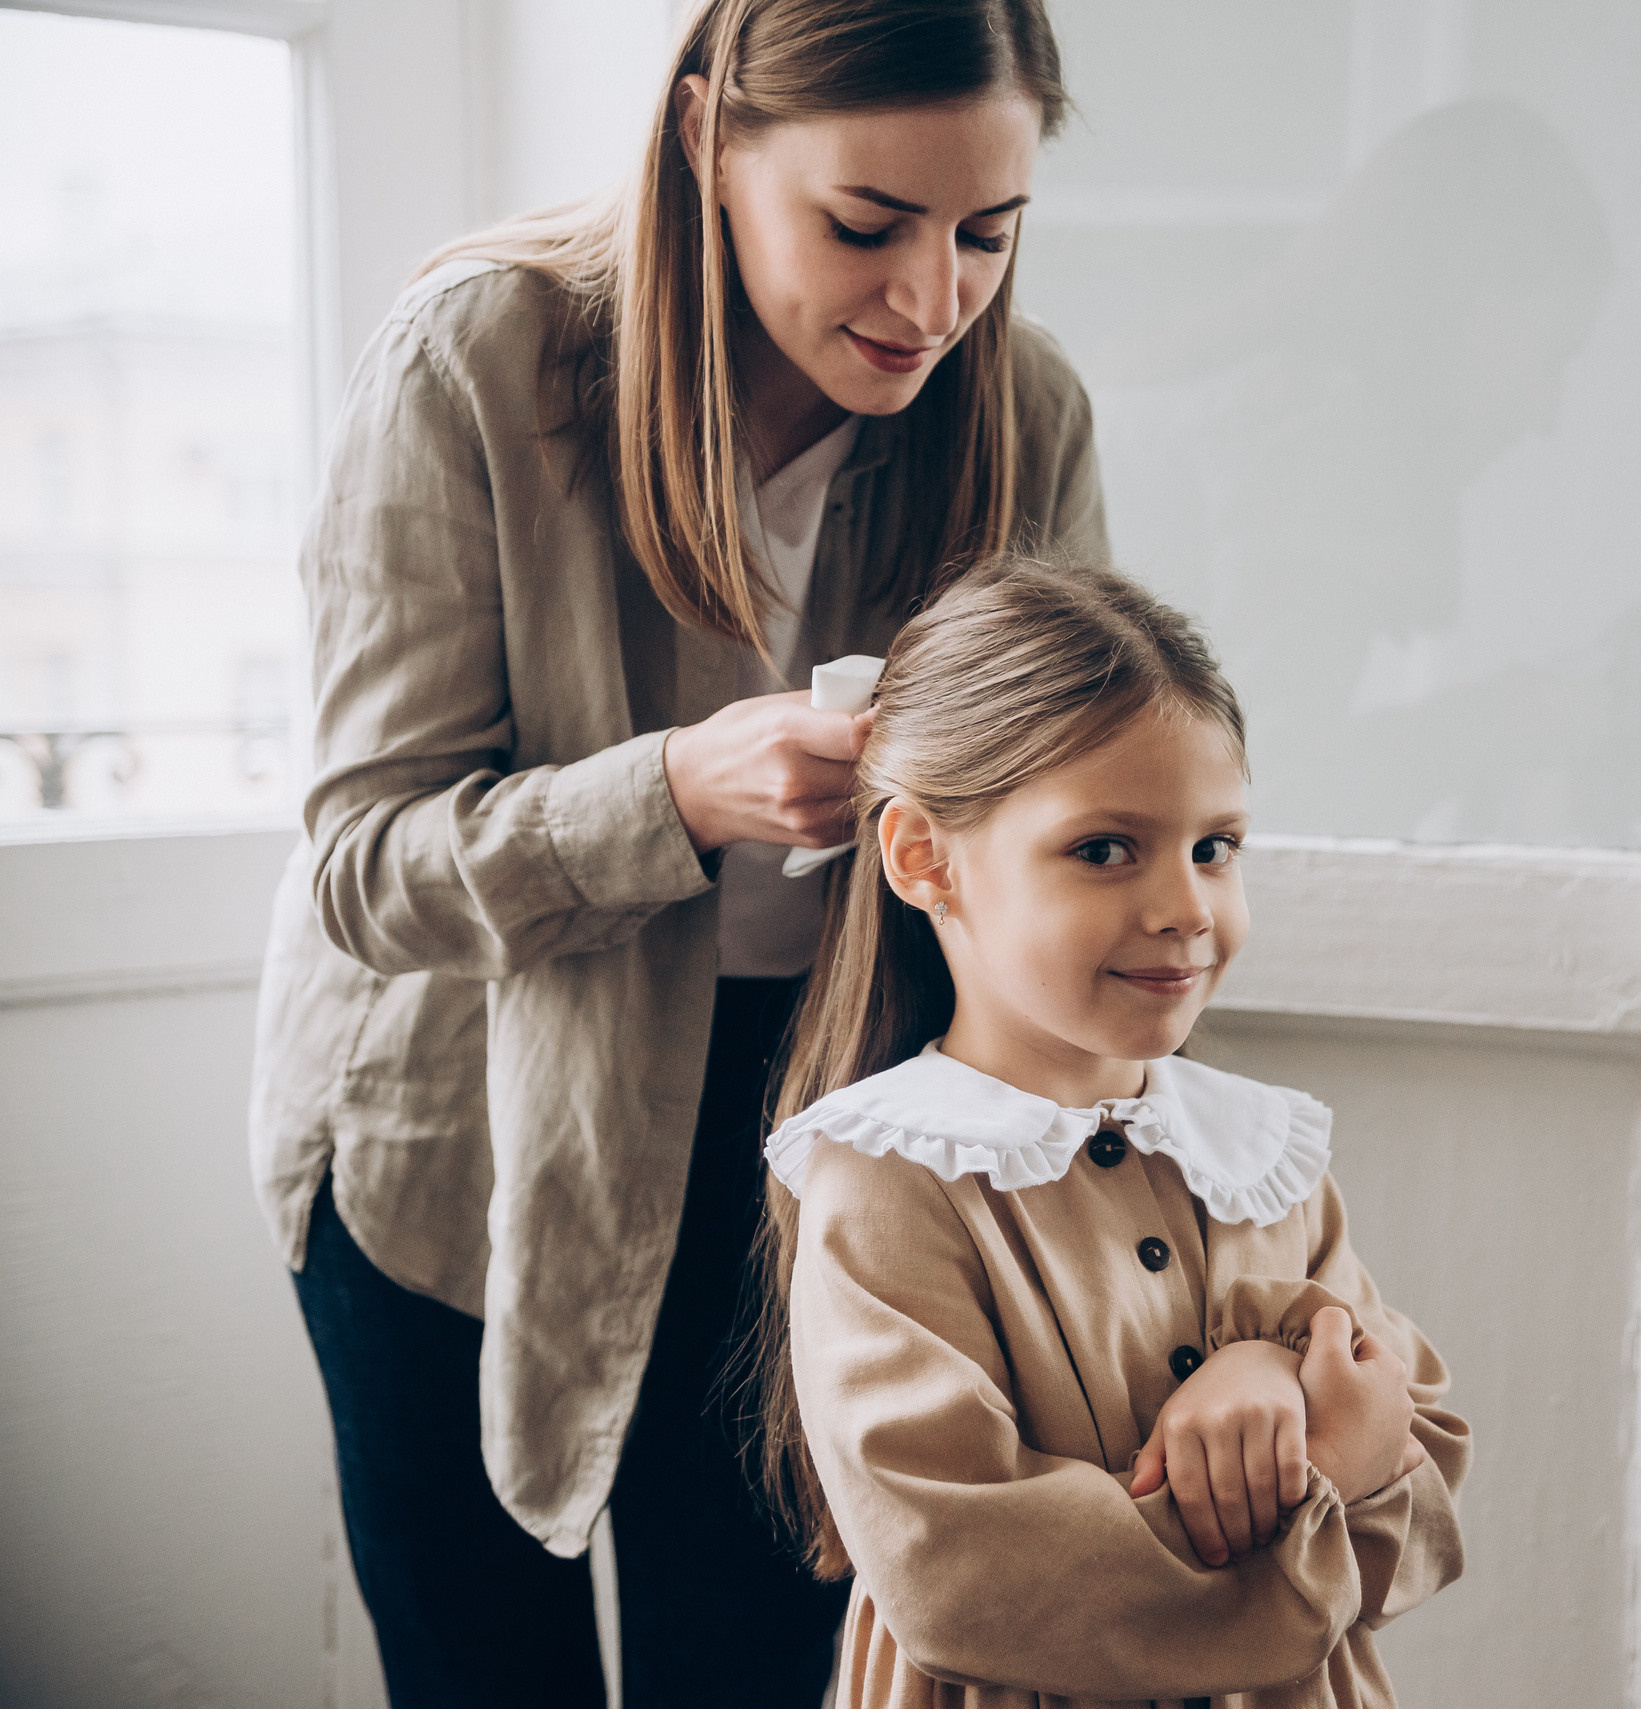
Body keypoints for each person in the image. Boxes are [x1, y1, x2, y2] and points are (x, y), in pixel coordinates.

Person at [248, 2, 1102, 1702]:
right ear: (709, 136)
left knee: (764, 1670)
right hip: (459, 1147)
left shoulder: (1022, 415)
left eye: (987, 233)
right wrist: (677, 794)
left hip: (812, 1146)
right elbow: (364, 866)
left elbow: (1077, 820)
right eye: (866, 225)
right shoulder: (480, 360)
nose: (931, 299)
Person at [750, 556, 1468, 1708]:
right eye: (1103, 848)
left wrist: (1265, 1367)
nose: (1186, 906)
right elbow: (963, 1574)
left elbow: (1420, 1475)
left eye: (1214, 846)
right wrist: (1320, 1477)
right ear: (924, 858)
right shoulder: (888, 1180)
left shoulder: (1261, 1153)